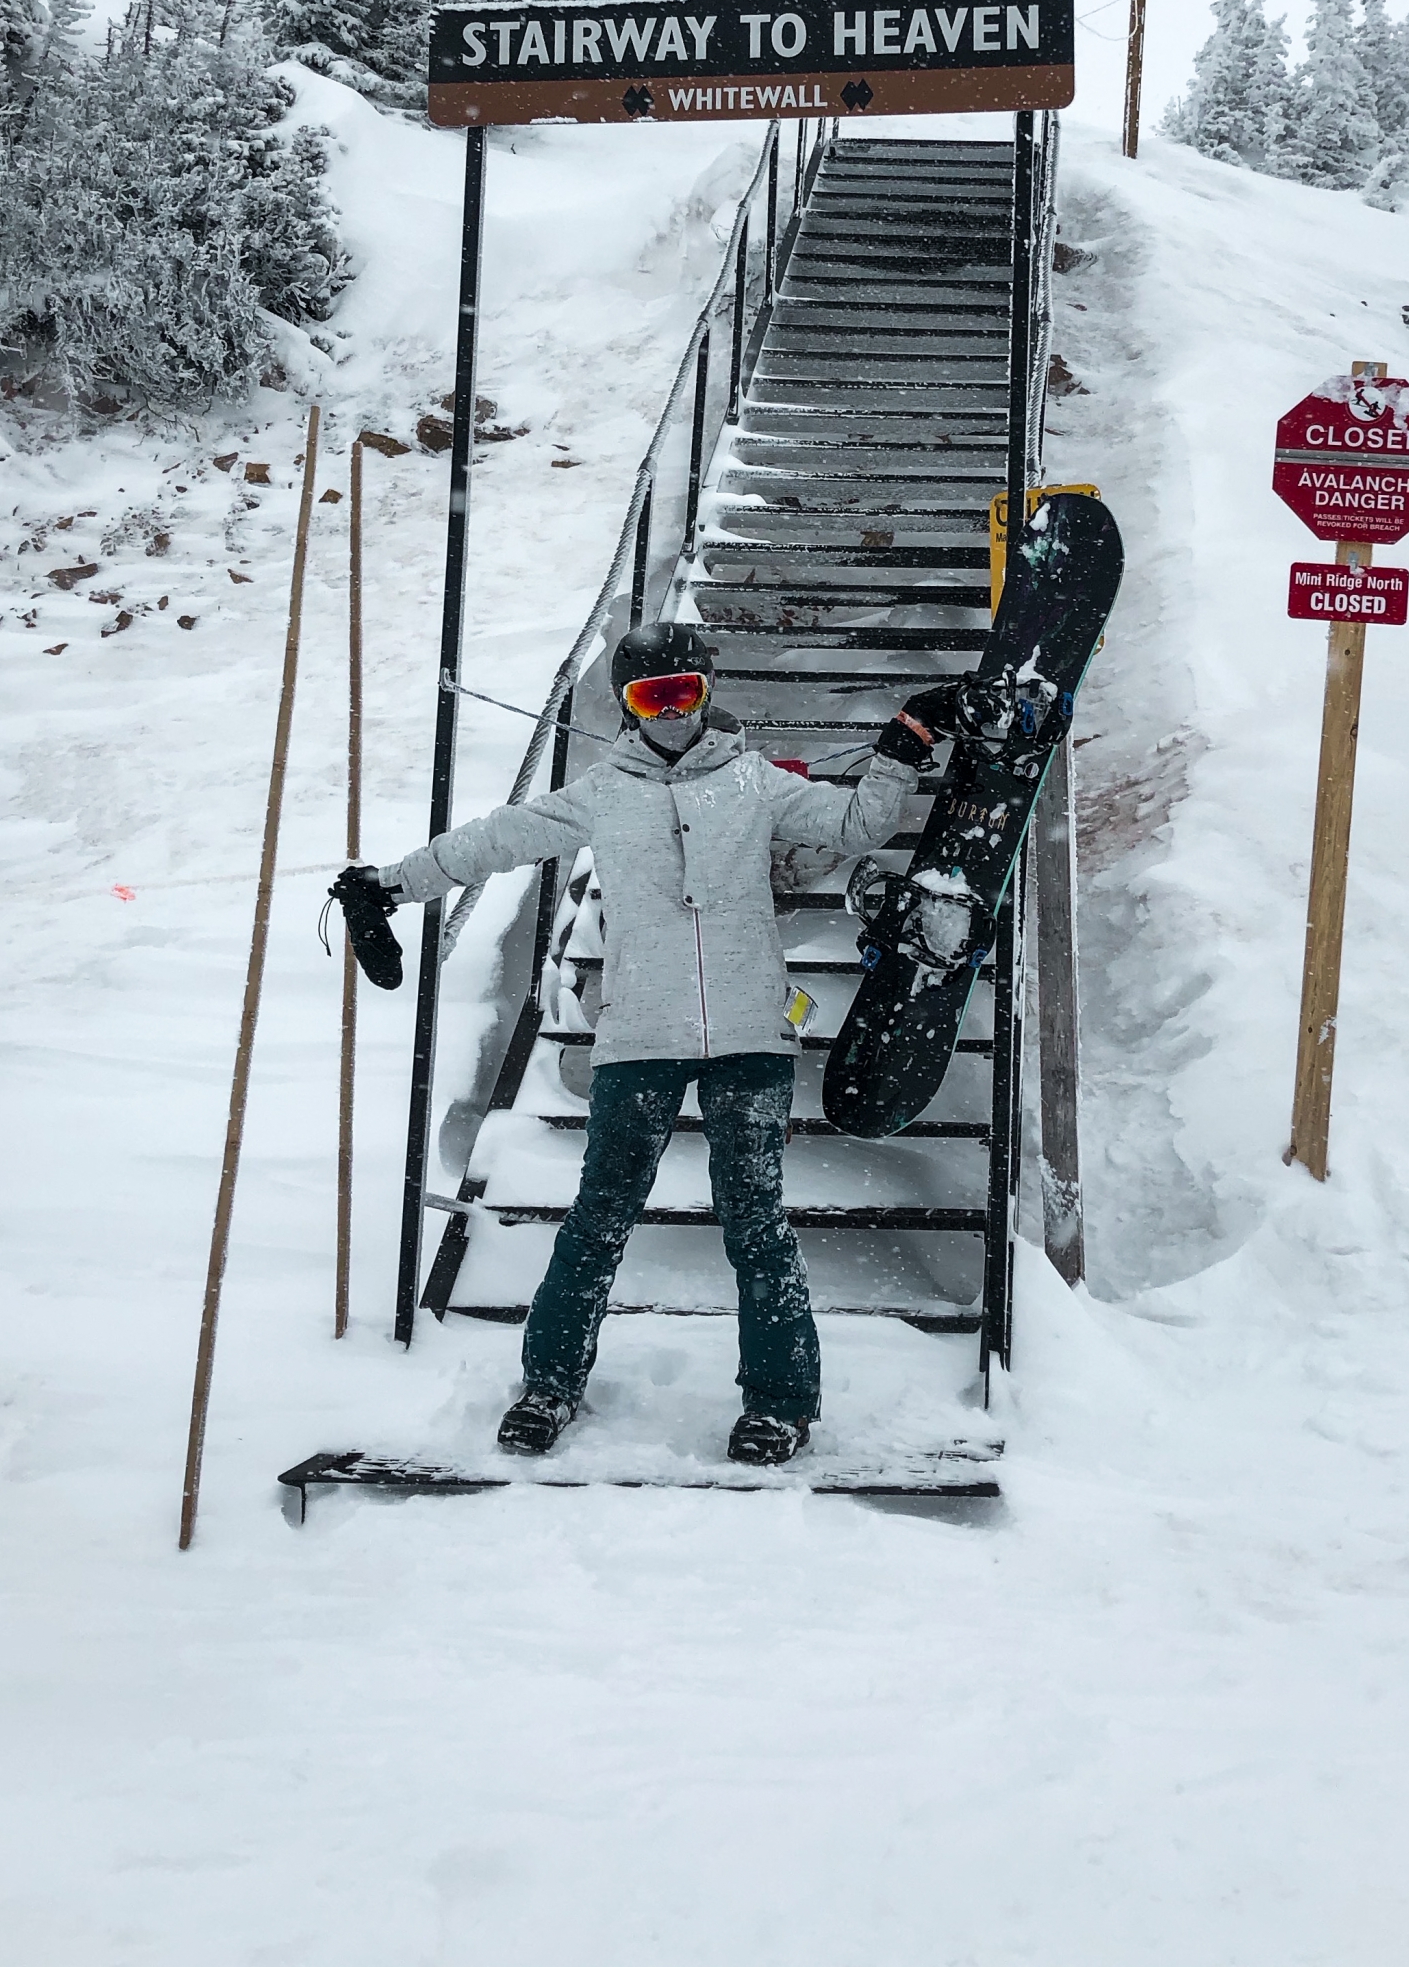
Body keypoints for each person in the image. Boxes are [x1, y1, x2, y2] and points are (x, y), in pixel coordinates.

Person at [343, 621, 992, 1467]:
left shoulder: (754, 782)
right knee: (598, 1219)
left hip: (749, 1037)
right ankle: (548, 1387)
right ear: (626, 706)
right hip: (640, 1038)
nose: (673, 713)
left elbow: (860, 826)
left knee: (755, 1222)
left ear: (706, 691)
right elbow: (494, 840)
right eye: (654, 697)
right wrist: (391, 885)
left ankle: (781, 1404)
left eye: (685, 692)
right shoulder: (600, 793)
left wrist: (905, 739)